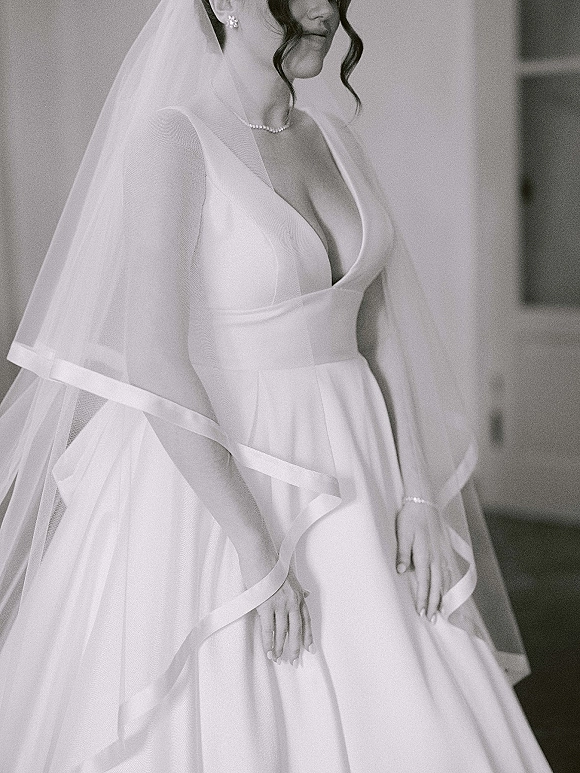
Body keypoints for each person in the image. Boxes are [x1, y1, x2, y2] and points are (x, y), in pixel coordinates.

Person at [0, 0, 554, 771]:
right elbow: (156, 358)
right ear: (224, 1)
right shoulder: (172, 142)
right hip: (225, 476)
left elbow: (378, 328)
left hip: (364, 466)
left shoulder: (335, 139)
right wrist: (257, 553)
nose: (325, 8)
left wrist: (420, 493)